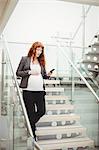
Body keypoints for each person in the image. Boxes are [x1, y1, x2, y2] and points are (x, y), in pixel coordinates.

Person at [16, 41, 52, 141]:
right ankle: (33, 135)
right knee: (30, 113)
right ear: (34, 49)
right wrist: (29, 72)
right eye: (38, 49)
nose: (40, 52)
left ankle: (29, 124)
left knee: (41, 111)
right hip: (28, 91)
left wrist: (48, 75)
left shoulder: (41, 62)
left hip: (40, 90)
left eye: (41, 50)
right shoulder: (25, 59)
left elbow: (43, 75)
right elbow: (18, 72)